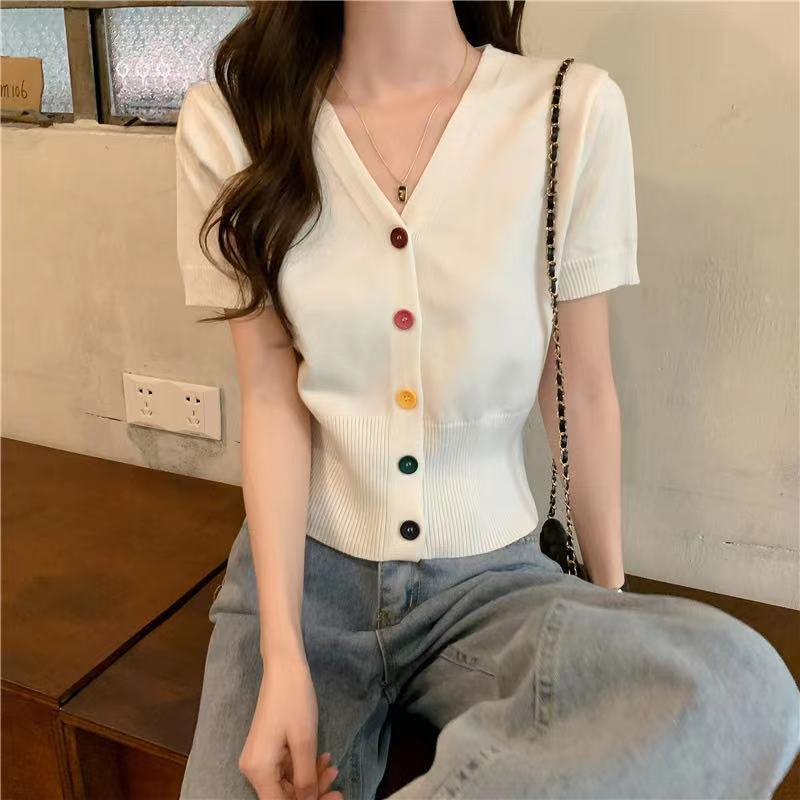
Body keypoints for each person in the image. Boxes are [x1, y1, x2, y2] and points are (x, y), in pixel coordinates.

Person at [174, 3, 800, 799]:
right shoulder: (235, 121)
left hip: (492, 588)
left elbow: (583, 389)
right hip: (300, 584)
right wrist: (283, 656)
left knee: (743, 690)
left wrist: (607, 613)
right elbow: (270, 397)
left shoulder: (569, 112)